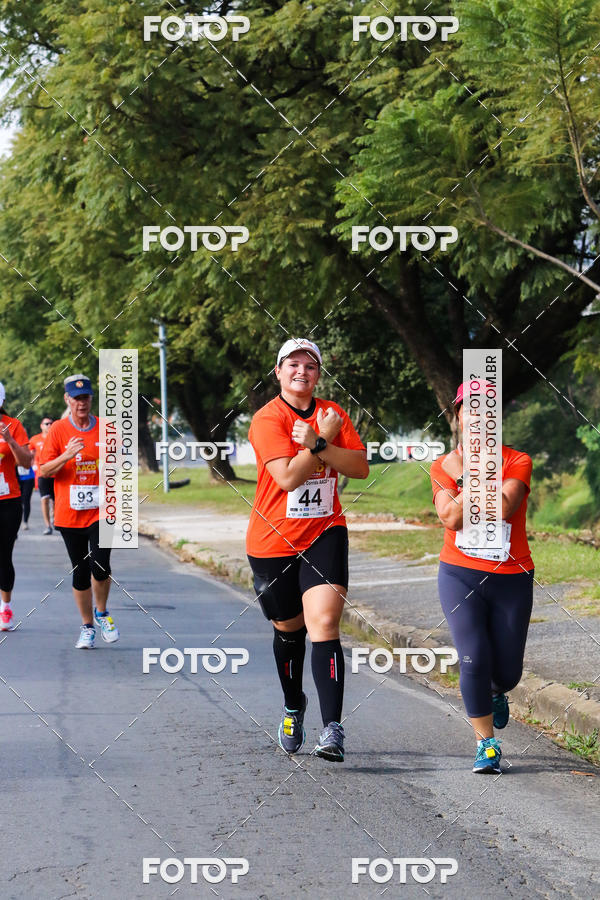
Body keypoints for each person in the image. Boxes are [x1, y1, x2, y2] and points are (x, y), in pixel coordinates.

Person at [246, 339, 369, 762]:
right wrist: (319, 444)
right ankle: (293, 705)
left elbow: (359, 467)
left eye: (310, 365)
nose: (302, 371)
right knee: (288, 631)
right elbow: (286, 479)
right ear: (278, 371)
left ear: (318, 373)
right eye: (293, 364)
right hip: (271, 541)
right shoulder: (267, 419)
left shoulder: (333, 415)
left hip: (324, 532)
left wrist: (321, 441)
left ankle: (332, 728)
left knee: (324, 622)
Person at [430, 381, 534, 774]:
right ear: (458, 417)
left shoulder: (518, 460)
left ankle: (495, 691)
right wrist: (462, 477)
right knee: (473, 656)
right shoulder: (442, 465)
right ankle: (486, 744)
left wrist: (469, 474)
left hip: (511, 576)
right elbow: (452, 517)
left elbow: (504, 507)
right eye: (468, 408)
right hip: (460, 574)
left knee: (507, 672)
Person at [39, 374, 119, 649]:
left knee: (100, 565)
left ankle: (102, 612)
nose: (81, 403)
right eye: (76, 398)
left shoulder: (106, 428)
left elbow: (119, 466)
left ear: (91, 399)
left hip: (101, 510)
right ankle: (87, 626)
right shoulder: (58, 430)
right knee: (80, 571)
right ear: (67, 399)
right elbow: (44, 470)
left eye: (85, 397)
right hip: (69, 513)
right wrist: (67, 455)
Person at [0, 381, 33, 631]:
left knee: (3, 556)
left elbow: (25, 463)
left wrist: (10, 440)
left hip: (7, 502)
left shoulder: (13, 425)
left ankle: (5, 607)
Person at [30, 415, 55, 534]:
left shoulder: (56, 437)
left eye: (51, 423)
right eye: (47, 423)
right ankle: (48, 525)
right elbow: (30, 453)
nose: (49, 425)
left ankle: (54, 517)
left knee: (55, 501)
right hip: (42, 474)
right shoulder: (35, 439)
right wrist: (31, 464)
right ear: (41, 426)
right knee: (44, 499)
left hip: (57, 474)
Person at [17, 463, 35, 530]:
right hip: (16, 478)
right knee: (17, 501)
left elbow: (32, 458)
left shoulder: (27, 451)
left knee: (26, 500)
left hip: (28, 478)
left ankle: (25, 521)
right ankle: (17, 521)